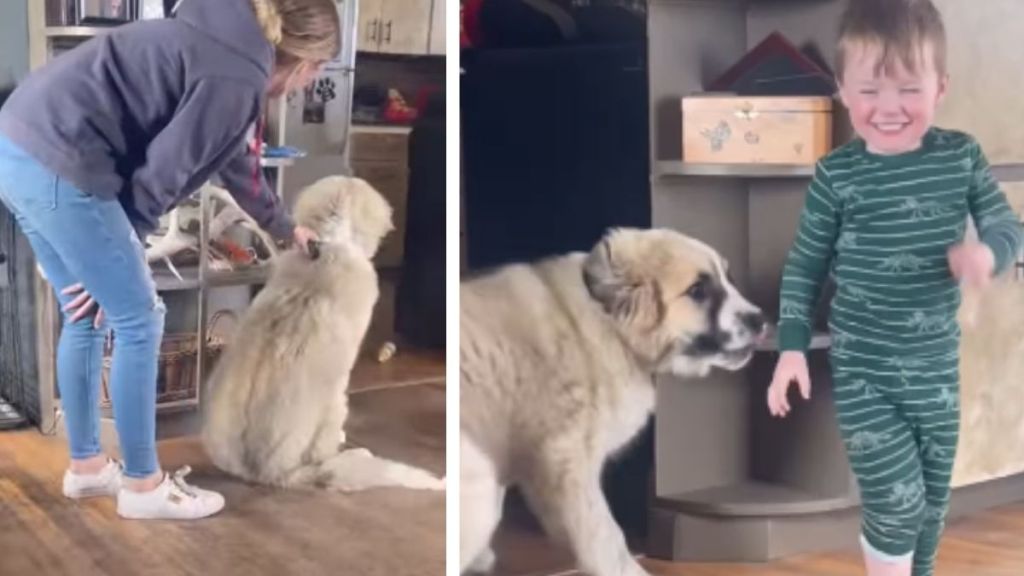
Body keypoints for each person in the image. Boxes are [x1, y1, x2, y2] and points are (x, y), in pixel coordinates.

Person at [0, 0, 339, 520]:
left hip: (18, 144)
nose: (301, 88)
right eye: (314, 75)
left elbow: (236, 159)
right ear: (305, 62)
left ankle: (88, 469)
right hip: (61, 161)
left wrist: (283, 226)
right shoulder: (237, 75)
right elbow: (162, 175)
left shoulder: (223, 39)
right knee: (139, 318)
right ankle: (144, 486)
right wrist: (121, 248)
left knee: (84, 313)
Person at [766, 0, 1022, 575]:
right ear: (842, 90)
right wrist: (791, 348)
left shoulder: (961, 157)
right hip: (865, 372)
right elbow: (805, 265)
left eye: (908, 89)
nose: (888, 108)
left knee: (931, 508)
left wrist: (989, 251)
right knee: (896, 499)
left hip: (936, 372)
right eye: (870, 89)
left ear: (940, 87)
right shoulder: (837, 174)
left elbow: (1009, 227)